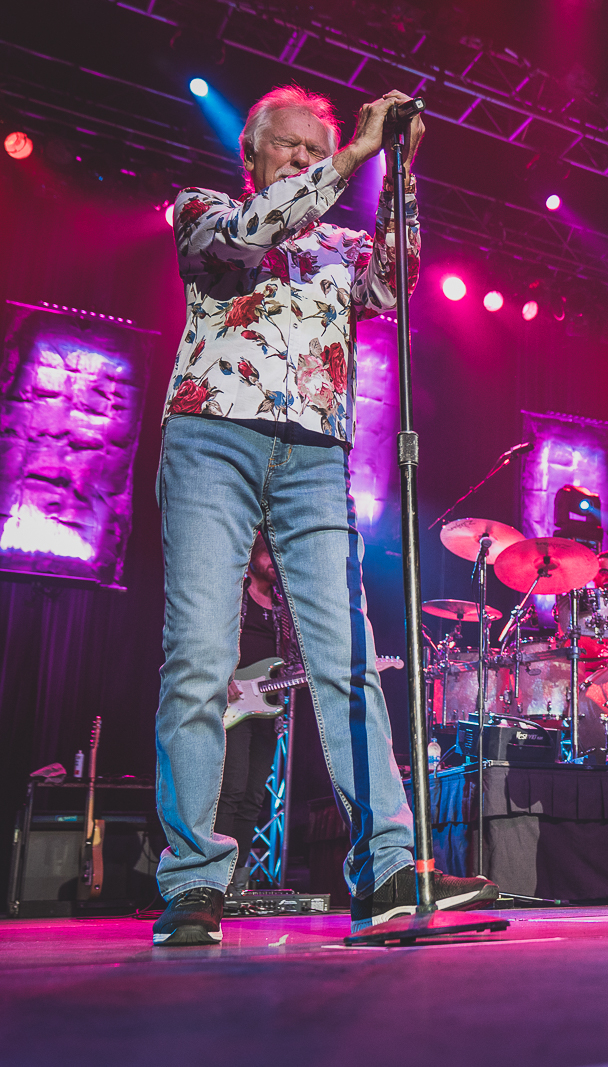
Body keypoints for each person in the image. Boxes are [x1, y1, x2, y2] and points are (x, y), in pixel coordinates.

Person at [152, 84, 496, 946]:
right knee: (200, 654)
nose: (307, 160)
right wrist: (347, 160)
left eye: (319, 148)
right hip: (213, 435)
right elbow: (250, 234)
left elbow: (396, 281)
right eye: (292, 148)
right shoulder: (206, 211)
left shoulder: (342, 245)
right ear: (254, 155)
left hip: (313, 455)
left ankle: (385, 867)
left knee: (346, 660)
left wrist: (401, 173)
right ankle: (195, 880)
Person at [218, 533, 297, 897]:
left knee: (253, 796)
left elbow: (292, 661)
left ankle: (237, 876)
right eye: (267, 555)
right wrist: (225, 676)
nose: (272, 563)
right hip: (232, 704)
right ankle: (213, 871)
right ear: (252, 556)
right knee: (231, 789)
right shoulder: (234, 593)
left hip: (264, 710)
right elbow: (213, 637)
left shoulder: (284, 608)